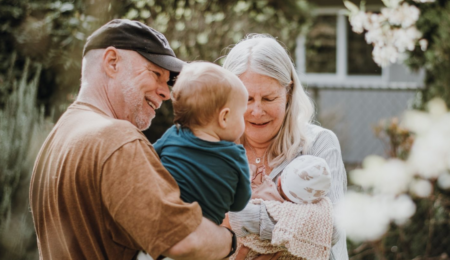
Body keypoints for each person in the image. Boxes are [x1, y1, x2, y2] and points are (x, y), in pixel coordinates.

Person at [29, 19, 237, 260]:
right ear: (112, 62)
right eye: (155, 73)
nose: (166, 93)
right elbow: (183, 240)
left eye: (168, 80)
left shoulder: (56, 141)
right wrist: (231, 240)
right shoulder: (118, 138)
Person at [223, 34, 349, 260]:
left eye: (269, 98)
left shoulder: (318, 143)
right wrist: (293, 221)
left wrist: (237, 218)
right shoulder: (213, 150)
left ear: (288, 94)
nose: (257, 111)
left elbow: (331, 229)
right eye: (247, 99)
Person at [153, 62, 251, 225]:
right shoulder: (235, 156)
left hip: (164, 225)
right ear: (224, 117)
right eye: (242, 114)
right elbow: (239, 204)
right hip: (206, 238)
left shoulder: (172, 136)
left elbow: (148, 161)